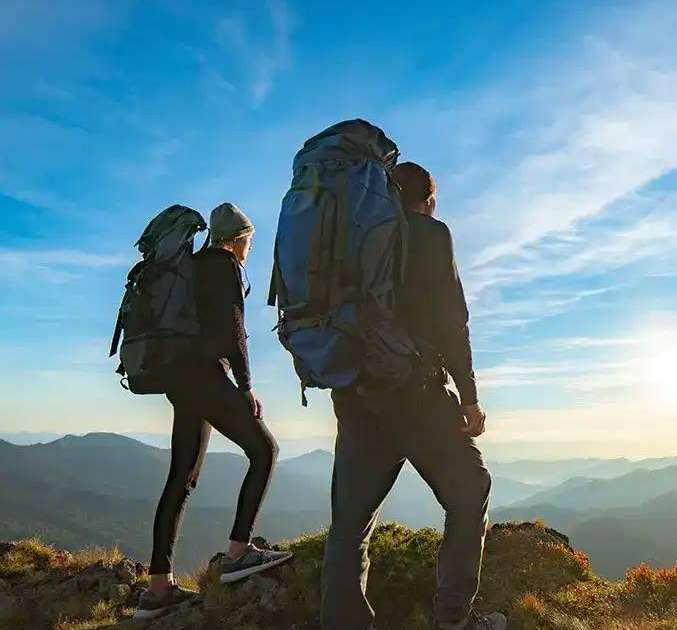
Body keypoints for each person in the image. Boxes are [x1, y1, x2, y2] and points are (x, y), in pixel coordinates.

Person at [322, 163, 505, 630]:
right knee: (470, 490)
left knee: (350, 521)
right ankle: (453, 620)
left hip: (356, 396)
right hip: (416, 394)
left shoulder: (348, 241)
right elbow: (453, 322)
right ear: (428, 200)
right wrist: (469, 396)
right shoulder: (430, 234)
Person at [135, 202, 293, 620]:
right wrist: (246, 388)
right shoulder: (224, 266)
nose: (249, 248)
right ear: (238, 238)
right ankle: (239, 553)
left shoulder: (191, 266)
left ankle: (157, 590)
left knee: (181, 477)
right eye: (250, 241)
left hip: (179, 379)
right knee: (265, 451)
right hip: (205, 377)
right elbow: (233, 332)